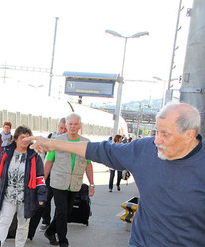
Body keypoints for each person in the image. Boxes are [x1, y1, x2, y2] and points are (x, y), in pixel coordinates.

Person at [25, 102, 205, 247]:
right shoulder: (145, 149)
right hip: (140, 242)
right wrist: (54, 144)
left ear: (189, 135)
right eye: (156, 131)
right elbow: (102, 151)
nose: (157, 139)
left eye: (165, 134)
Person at [0, 125, 47, 247]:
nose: (25, 140)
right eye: (22, 137)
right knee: (4, 223)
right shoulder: (6, 154)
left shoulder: (34, 157)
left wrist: (41, 196)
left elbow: (40, 178)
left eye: (27, 138)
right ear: (15, 139)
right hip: (8, 197)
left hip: (26, 198)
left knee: (23, 226)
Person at [43, 113, 95, 247]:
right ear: (66, 125)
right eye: (70, 124)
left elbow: (88, 164)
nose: (72, 126)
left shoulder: (85, 143)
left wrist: (92, 184)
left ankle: (50, 231)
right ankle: (63, 241)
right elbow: (48, 162)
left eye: (75, 124)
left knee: (66, 212)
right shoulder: (57, 141)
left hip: (74, 183)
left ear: (79, 126)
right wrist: (42, 181)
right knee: (61, 211)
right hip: (58, 182)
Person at [39, 118, 67, 232]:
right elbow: (43, 155)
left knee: (60, 203)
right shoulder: (51, 138)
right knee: (45, 198)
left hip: (62, 175)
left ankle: (54, 226)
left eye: (65, 129)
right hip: (49, 173)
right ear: (57, 127)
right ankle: (46, 220)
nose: (63, 131)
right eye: (61, 128)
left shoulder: (70, 141)